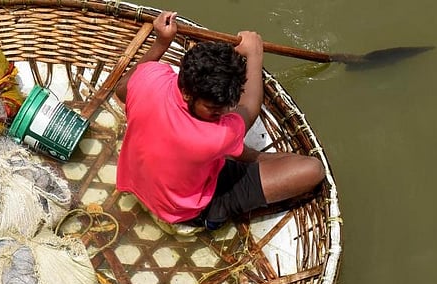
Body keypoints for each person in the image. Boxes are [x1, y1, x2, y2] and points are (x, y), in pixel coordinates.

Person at [115, 11, 325, 231]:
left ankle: (245, 154)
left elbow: (122, 90)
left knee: (240, 148)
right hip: (183, 211)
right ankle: (227, 191)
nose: (224, 113)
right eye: (214, 109)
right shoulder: (217, 136)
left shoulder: (151, 76)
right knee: (312, 169)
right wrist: (255, 56)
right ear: (187, 93)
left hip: (138, 185)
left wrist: (162, 41)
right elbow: (251, 109)